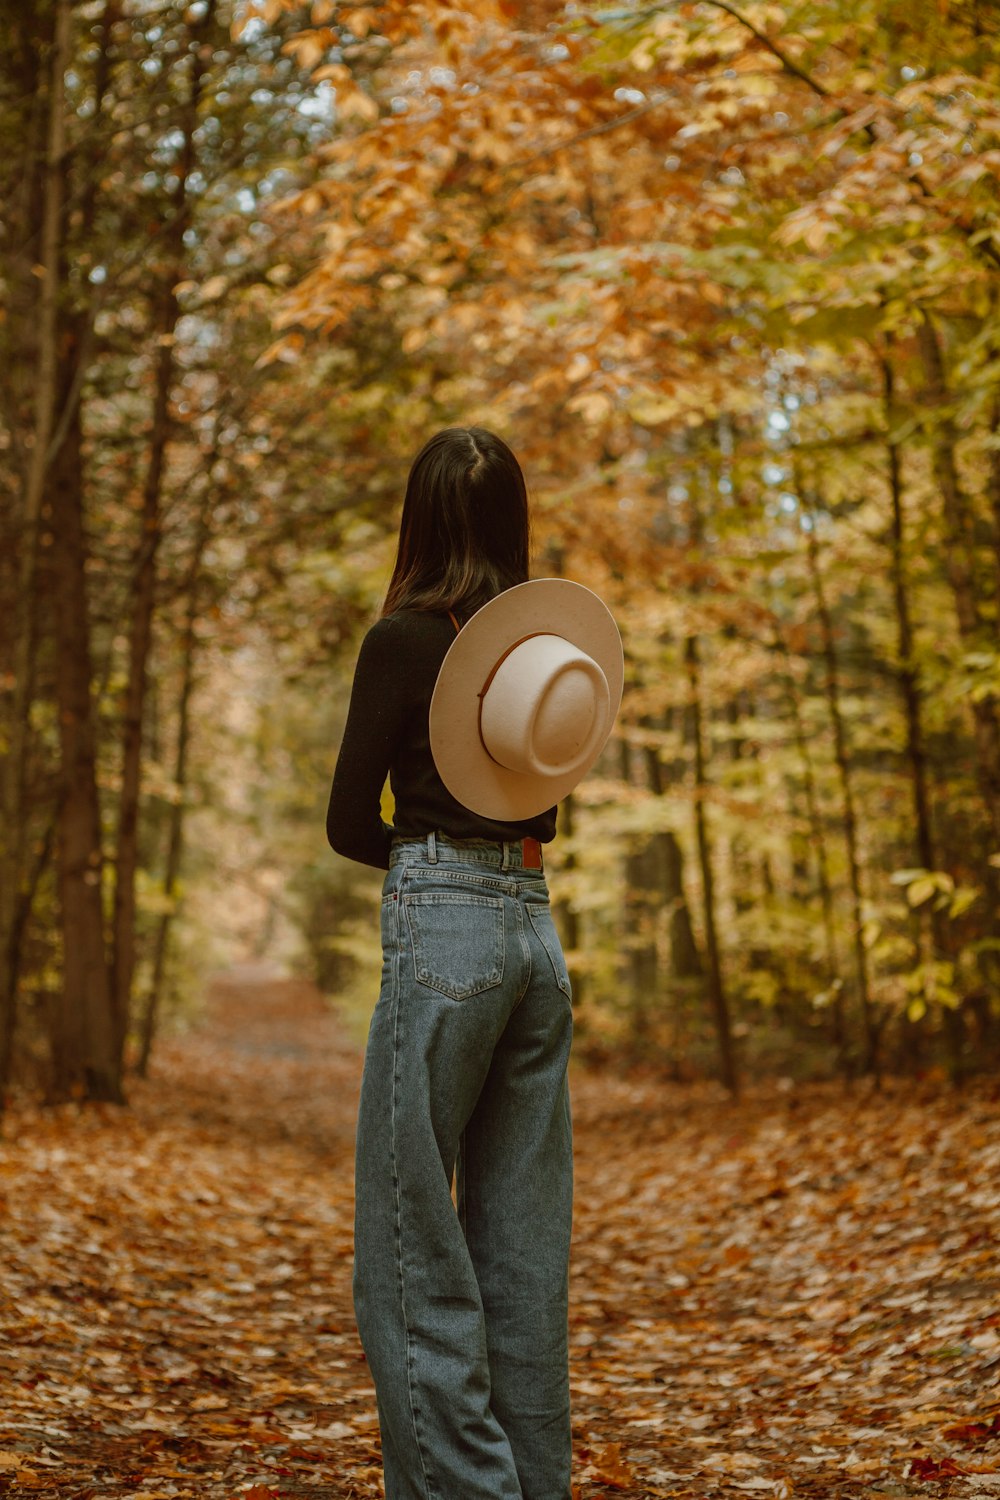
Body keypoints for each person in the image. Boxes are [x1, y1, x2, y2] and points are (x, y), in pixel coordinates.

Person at [326, 426, 621, 1500]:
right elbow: (538, 809)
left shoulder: (402, 640)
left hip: (443, 931)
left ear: (418, 516)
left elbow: (347, 821)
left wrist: (420, 863)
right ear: (509, 519)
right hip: (536, 937)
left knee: (410, 1249)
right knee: (522, 1250)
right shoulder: (540, 661)